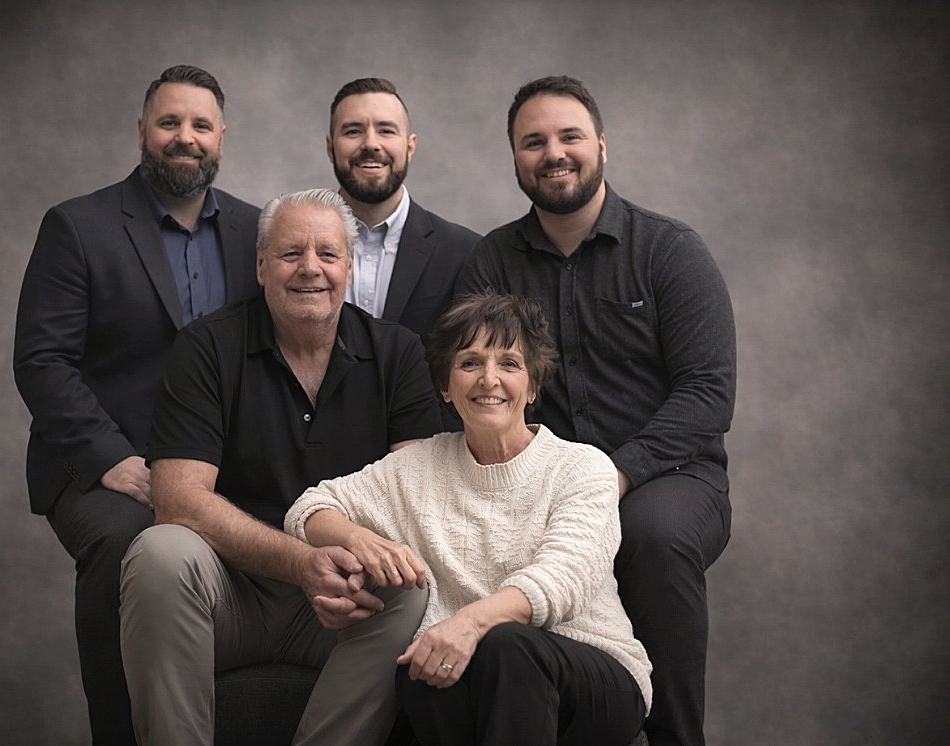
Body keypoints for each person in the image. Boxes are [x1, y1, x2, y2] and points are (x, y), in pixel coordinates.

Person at [455, 76, 736, 746]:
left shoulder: (669, 250)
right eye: (534, 142)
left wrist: (616, 474)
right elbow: (467, 382)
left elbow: (707, 391)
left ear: (601, 145)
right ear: (515, 158)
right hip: (537, 484)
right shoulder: (492, 261)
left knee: (649, 536)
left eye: (569, 137)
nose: (553, 153)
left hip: (669, 478)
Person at [118, 188, 444, 746]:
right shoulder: (205, 347)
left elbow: (414, 502)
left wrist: (336, 568)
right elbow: (177, 500)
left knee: (411, 588)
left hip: (343, 600)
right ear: (261, 265)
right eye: (291, 253)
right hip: (227, 594)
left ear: (349, 266)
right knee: (159, 551)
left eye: (327, 254)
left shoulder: (399, 353)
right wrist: (301, 563)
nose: (310, 268)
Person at [13, 65, 261, 745]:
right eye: (169, 122)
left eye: (200, 125)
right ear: (142, 130)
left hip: (216, 467)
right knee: (132, 544)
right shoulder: (77, 225)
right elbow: (41, 361)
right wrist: (112, 460)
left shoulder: (255, 230)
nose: (185, 137)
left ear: (221, 136)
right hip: (104, 468)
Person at [285, 292, 651, 746]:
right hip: (480, 674)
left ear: (532, 388)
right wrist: (361, 540)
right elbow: (308, 508)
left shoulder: (582, 467)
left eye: (509, 364)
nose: (489, 379)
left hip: (594, 675)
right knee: (420, 674)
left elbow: (562, 580)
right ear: (446, 386)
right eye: (470, 363)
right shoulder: (417, 467)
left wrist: (469, 624)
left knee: (506, 644)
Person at [327, 77, 479, 344]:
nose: (371, 144)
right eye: (353, 131)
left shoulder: (464, 252)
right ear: (330, 148)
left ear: (410, 147)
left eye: (386, 131)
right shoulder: (293, 250)